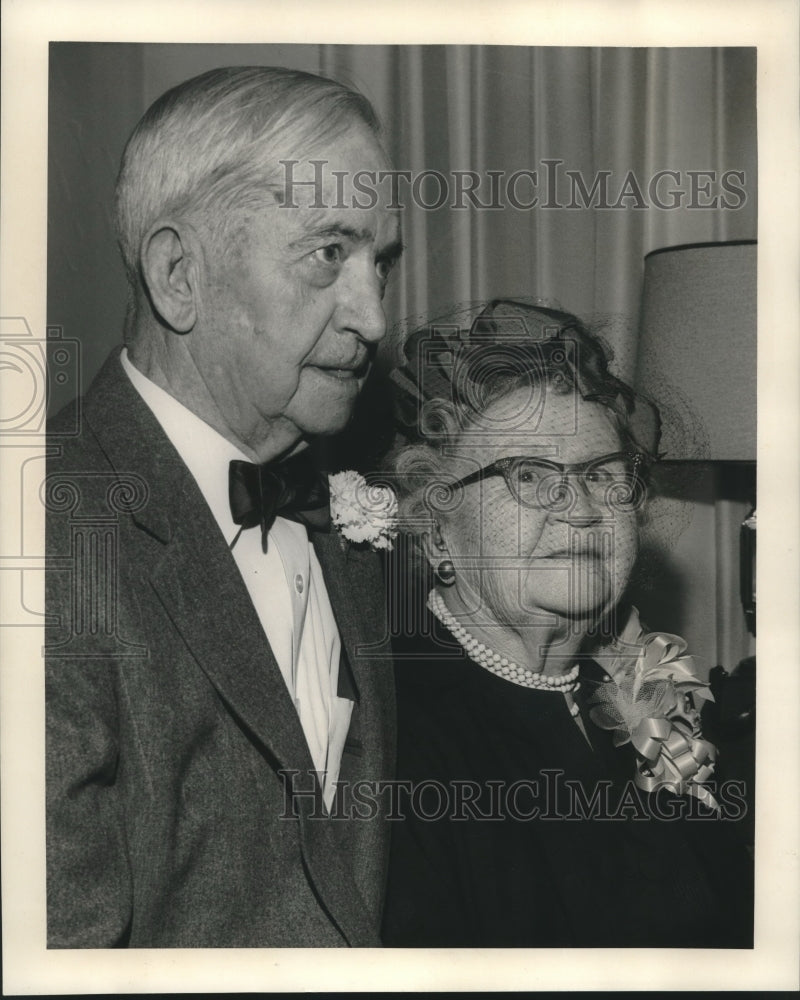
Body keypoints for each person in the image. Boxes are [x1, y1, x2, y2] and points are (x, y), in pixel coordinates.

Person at [45, 66, 402, 948]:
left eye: (380, 264)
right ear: (179, 276)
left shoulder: (346, 517)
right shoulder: (46, 536)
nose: (373, 317)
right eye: (329, 254)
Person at [381, 299, 753, 947]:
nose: (579, 507)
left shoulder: (649, 684)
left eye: (604, 475)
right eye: (528, 474)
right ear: (436, 523)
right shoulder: (393, 736)